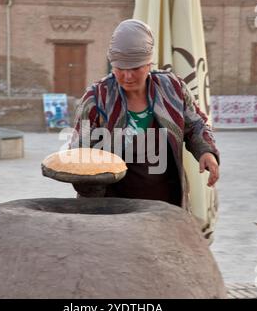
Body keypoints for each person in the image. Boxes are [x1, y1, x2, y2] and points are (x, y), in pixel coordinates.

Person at [70, 19, 220, 211]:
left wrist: (206, 151)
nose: (128, 76)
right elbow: (79, 149)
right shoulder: (96, 98)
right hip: (110, 209)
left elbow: (197, 124)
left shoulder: (172, 89)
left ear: (149, 63)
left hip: (166, 205)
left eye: (135, 68)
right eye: (120, 68)